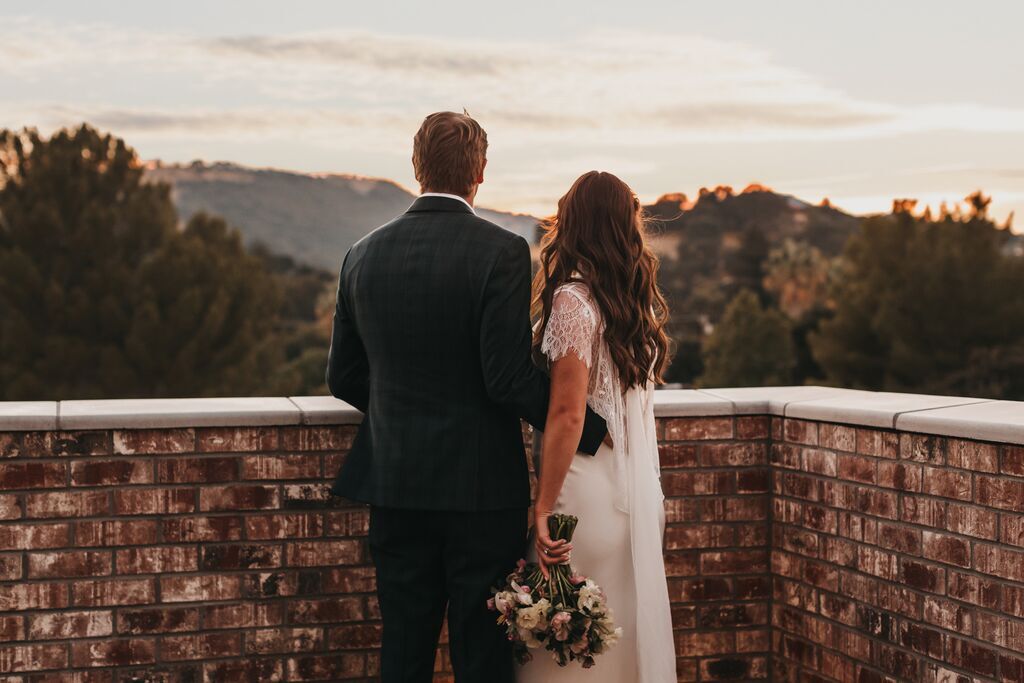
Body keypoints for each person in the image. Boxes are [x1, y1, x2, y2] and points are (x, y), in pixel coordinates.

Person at [326, 111, 608, 683]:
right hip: (480, 491)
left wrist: (400, 411)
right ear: (479, 171)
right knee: (480, 655)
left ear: (415, 166)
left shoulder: (361, 253)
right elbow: (505, 378)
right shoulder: (501, 251)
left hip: (395, 482)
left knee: (403, 647)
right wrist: (588, 428)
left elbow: (343, 376)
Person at [520, 171, 676, 682]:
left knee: (567, 655)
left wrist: (543, 507)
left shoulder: (573, 301)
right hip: (630, 496)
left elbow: (568, 413)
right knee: (616, 649)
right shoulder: (635, 305)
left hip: (581, 497)